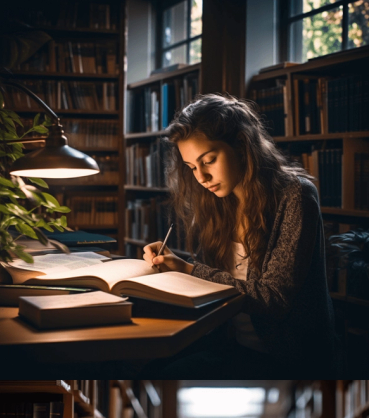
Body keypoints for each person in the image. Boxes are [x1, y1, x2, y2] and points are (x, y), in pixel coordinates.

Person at [141, 94, 337, 379]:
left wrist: (190, 271)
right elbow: (221, 282)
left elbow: (274, 299)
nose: (202, 178)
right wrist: (175, 269)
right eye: (192, 168)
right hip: (231, 341)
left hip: (287, 358)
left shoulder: (296, 195)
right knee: (148, 366)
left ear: (242, 146)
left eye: (208, 160)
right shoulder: (219, 201)